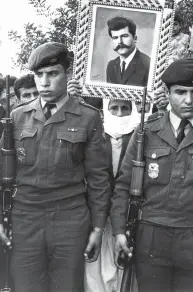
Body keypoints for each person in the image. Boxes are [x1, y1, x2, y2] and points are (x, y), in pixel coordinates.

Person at [110, 58, 193, 292]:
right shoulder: (146, 131)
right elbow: (123, 185)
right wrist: (119, 231)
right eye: (180, 92)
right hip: (151, 235)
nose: (189, 100)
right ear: (167, 93)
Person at [0, 42, 111, 292]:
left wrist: (98, 229)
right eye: (39, 75)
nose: (44, 83)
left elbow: (99, 179)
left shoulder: (89, 117)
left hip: (70, 220)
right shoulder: (17, 117)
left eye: (53, 74)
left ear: (67, 75)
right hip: (26, 219)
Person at [85, 99, 137, 292]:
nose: (120, 113)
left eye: (125, 108)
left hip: (124, 214)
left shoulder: (139, 136)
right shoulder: (95, 135)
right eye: (114, 108)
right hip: (98, 213)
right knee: (95, 271)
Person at [106, 16, 150, 87]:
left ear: (135, 38)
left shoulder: (148, 64)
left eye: (124, 36)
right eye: (115, 38)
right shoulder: (111, 65)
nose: (119, 42)